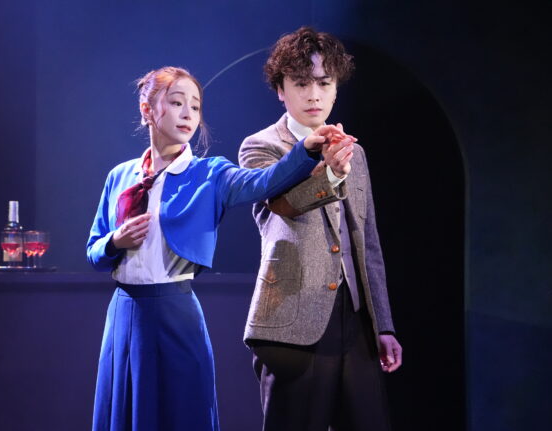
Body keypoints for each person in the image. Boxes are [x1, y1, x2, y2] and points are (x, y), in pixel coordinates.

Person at [86, 66, 342, 431]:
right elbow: (94, 251)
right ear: (147, 110)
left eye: (195, 106)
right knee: (126, 412)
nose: (188, 113)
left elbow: (264, 181)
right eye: (177, 103)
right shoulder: (120, 176)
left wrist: (305, 151)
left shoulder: (210, 174)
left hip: (175, 312)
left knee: (182, 413)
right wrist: (116, 241)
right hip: (124, 313)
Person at [238, 27, 403, 431]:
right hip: (294, 319)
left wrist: (382, 323)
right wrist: (329, 174)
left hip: (355, 320)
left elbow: (368, 242)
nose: (313, 94)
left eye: (324, 83)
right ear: (281, 90)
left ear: (335, 89)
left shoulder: (353, 151)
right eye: (301, 83)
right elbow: (282, 205)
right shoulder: (261, 146)